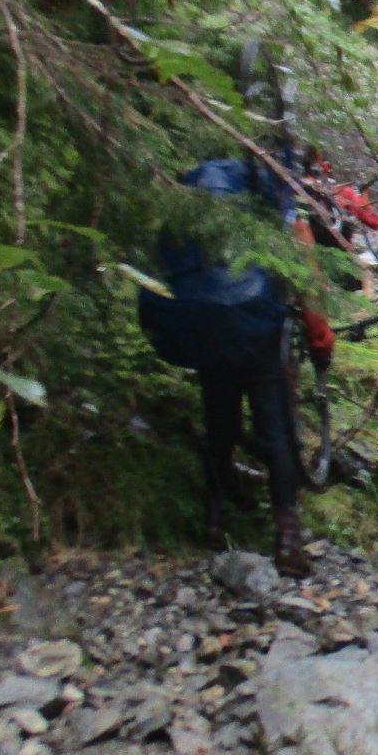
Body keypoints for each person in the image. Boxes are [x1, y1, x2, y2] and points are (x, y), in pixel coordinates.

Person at [137, 153, 331, 578]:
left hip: (200, 317)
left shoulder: (198, 189)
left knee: (218, 416)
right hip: (255, 323)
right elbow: (304, 276)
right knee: (276, 429)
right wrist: (320, 340)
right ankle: (287, 538)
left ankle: (215, 517)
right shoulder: (278, 200)